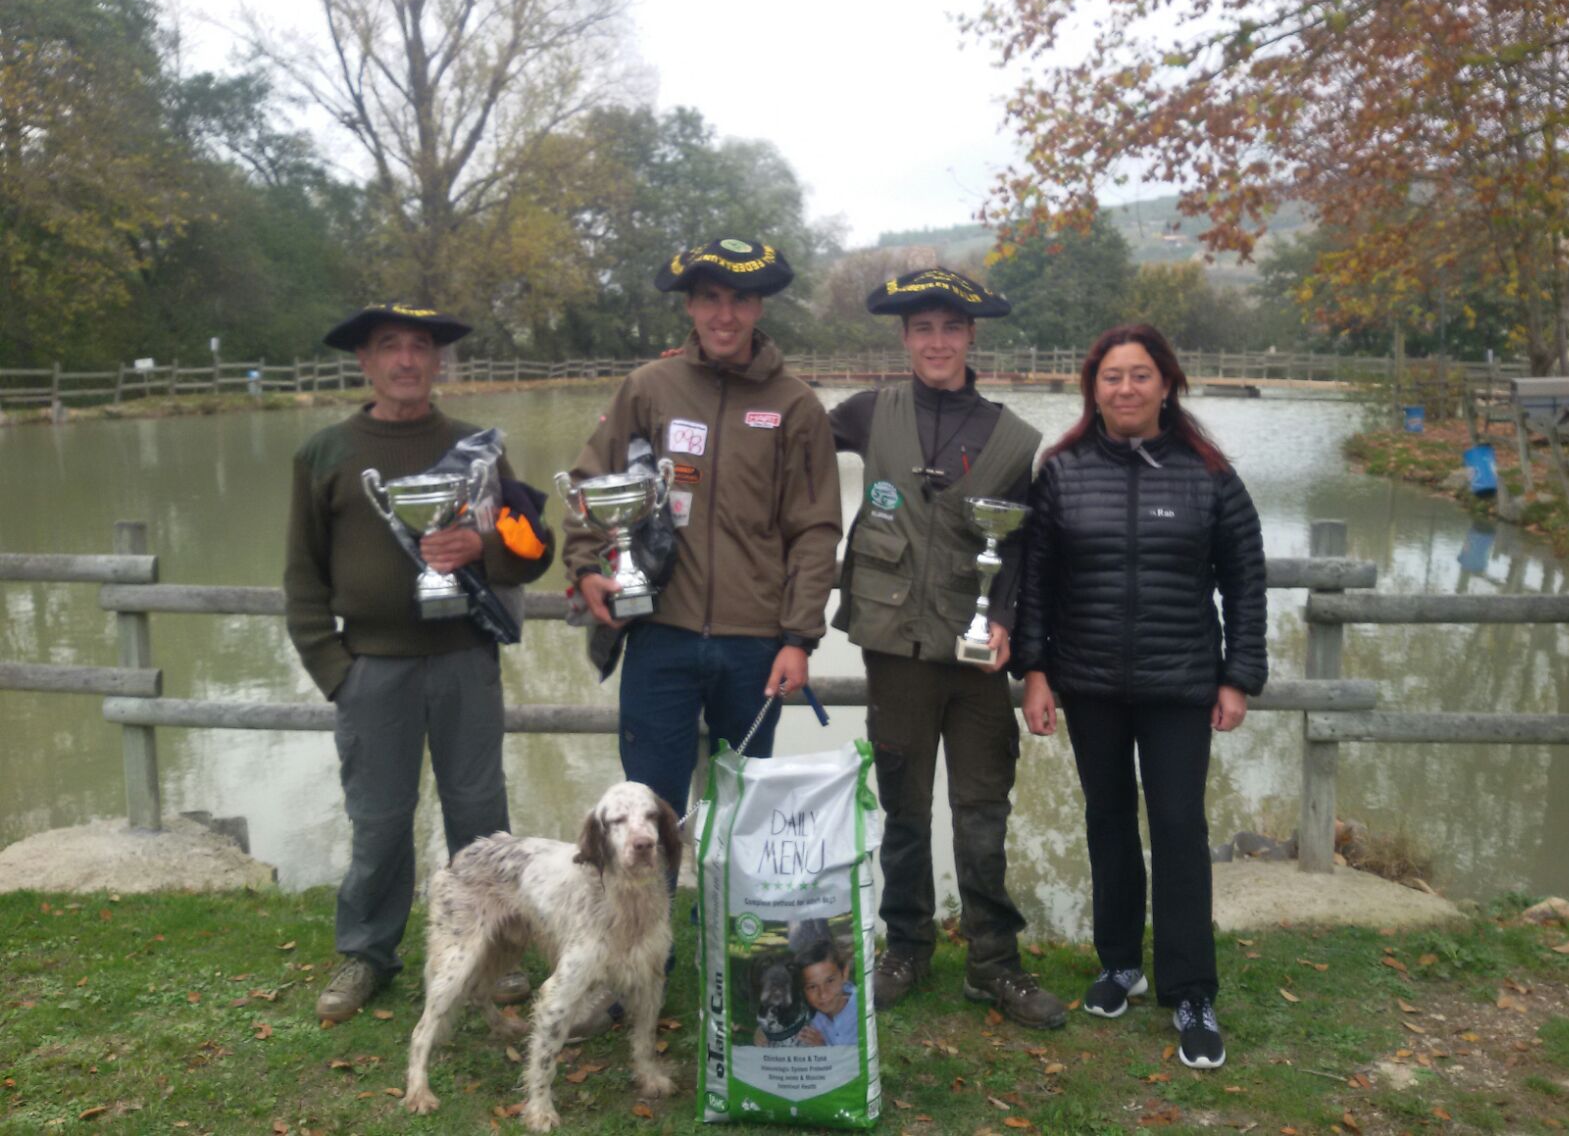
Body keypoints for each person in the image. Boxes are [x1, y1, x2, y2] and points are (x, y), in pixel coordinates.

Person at [284, 304, 552, 1024]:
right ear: (366, 363)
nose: (406, 359)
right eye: (388, 347)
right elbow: (303, 576)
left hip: (465, 661)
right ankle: (367, 953)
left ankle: (494, 956)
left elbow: (535, 551)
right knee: (377, 822)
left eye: (421, 347)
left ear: (439, 363)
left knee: (481, 820)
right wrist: (333, 669)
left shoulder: (478, 450)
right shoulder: (325, 454)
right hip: (371, 669)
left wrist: (483, 552)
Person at [1014, 323, 1267, 1069]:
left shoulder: (1209, 472)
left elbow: (1245, 579)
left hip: (1180, 683)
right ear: (1092, 389)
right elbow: (1036, 582)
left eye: (1140, 375)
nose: (1125, 389)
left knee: (1180, 829)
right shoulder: (1061, 471)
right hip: (1088, 682)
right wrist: (1034, 670)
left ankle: (1191, 990)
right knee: (1108, 821)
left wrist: (1237, 676)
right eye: (1111, 377)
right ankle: (1119, 961)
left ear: (1167, 383)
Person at [829, 267, 1064, 1029]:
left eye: (951, 328)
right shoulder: (868, 413)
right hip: (895, 654)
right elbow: (779, 437)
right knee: (902, 811)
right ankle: (907, 947)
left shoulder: (1016, 439)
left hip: (976, 665)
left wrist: (1004, 618)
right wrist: (691, 383)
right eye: (923, 327)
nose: (937, 341)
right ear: (904, 338)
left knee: (981, 814)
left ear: (971, 337)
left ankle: (994, 962)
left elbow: (1024, 551)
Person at [562, 236, 842, 834]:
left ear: (760, 306)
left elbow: (816, 530)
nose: (725, 314)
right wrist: (585, 566)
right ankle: (649, 929)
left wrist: (799, 636)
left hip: (756, 646)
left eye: (740, 299)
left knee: (743, 809)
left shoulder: (796, 406)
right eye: (710, 298)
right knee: (646, 813)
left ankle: (727, 926)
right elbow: (593, 482)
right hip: (659, 633)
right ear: (689, 306)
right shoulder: (649, 387)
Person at [796, 941, 857, 1047]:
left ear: (844, 974)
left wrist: (824, 1049)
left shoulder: (862, 1008)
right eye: (812, 987)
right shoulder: (813, 1021)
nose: (823, 994)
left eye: (830, 981)